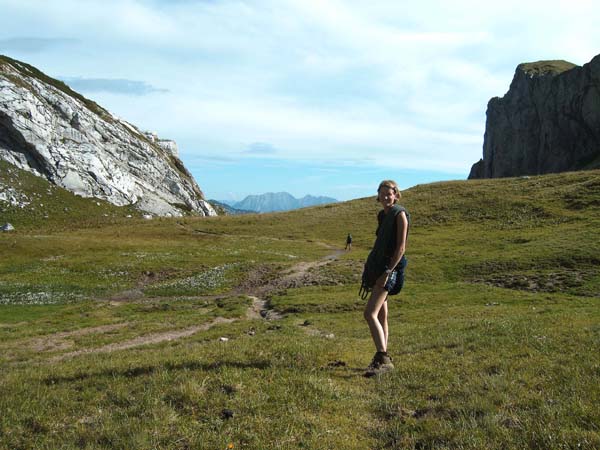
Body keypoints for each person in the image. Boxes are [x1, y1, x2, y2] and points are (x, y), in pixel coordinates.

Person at [362, 180, 409, 376]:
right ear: (378, 196)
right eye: (382, 194)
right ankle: (383, 355)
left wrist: (387, 272)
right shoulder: (382, 215)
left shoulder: (400, 215)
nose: (386, 197)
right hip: (380, 268)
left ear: (396, 195)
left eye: (389, 194)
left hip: (390, 270)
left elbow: (401, 248)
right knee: (382, 315)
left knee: (369, 313)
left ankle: (383, 357)